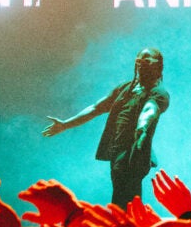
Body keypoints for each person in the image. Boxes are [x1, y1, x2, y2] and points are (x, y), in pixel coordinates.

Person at [42, 48, 169, 208]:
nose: (141, 62)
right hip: (117, 151)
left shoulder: (158, 92)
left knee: (127, 199)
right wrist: (66, 124)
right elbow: (96, 108)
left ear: (157, 65)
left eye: (147, 59)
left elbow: (149, 110)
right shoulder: (124, 89)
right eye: (139, 59)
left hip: (135, 152)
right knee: (121, 197)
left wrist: (142, 127)